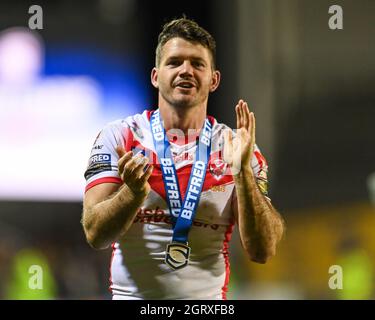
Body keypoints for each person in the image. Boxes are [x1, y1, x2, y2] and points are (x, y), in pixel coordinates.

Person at [81, 17, 284, 300]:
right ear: (156, 76)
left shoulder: (236, 146)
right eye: (174, 62)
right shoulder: (120, 137)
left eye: (197, 63)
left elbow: (263, 250)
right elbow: (95, 234)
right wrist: (132, 193)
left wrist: (242, 173)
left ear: (214, 80)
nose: (186, 70)